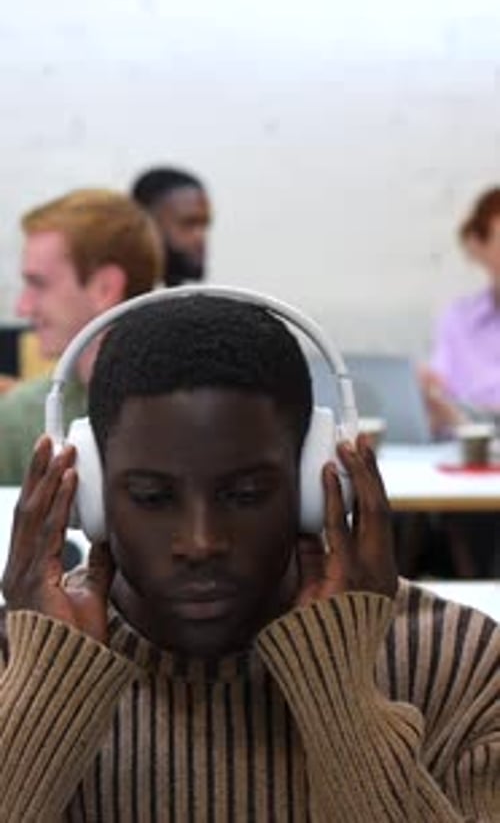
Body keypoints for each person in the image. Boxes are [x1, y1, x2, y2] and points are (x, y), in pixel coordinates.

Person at [1, 295, 498, 821]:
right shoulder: (18, 665)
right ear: (90, 498)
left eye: (245, 495)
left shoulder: (459, 667)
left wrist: (340, 692)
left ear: (316, 485)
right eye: (152, 497)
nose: (200, 541)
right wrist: (45, 694)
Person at [0, 189, 163, 485]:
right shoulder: (20, 416)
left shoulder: (188, 413)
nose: (22, 307)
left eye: (38, 283)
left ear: (104, 288)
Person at [421, 187, 500, 435]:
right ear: (477, 245)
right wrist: (429, 397)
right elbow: (440, 408)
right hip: (469, 457)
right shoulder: (457, 320)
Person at [131, 167, 211, 285]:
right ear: (147, 223)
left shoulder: (187, 300)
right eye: (189, 223)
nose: (200, 237)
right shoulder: (110, 298)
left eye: (204, 225)